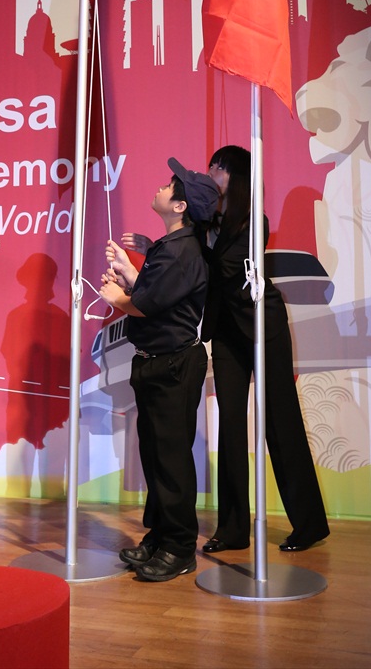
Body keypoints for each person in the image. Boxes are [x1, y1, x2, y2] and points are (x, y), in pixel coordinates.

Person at [199, 145, 329, 553]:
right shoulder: (209, 221)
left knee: (280, 421)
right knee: (232, 424)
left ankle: (309, 524)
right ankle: (233, 529)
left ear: (235, 176)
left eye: (217, 167)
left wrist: (202, 235)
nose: (210, 171)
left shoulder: (255, 221)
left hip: (263, 325)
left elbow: (224, 269)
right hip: (227, 331)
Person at [99, 158, 219, 582]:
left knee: (169, 461)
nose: (162, 187)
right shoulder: (171, 248)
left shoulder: (182, 250)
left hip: (172, 366)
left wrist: (120, 297)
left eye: (171, 186)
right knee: (156, 456)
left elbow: (146, 305)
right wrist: (132, 280)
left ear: (181, 207)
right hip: (157, 364)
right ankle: (162, 535)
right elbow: (154, 298)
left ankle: (180, 547)